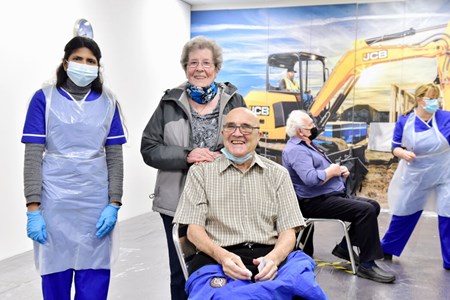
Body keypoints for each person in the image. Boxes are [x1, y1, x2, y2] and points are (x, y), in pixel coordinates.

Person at [173, 107, 328, 299]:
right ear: (223, 133)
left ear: (259, 134)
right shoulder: (201, 173)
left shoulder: (278, 174)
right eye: (231, 127)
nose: (237, 133)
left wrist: (274, 259)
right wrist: (223, 257)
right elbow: (193, 232)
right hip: (217, 258)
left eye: (246, 128)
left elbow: (288, 231)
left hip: (271, 256)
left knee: (305, 291)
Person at [140, 36, 247, 300]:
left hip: (225, 201)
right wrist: (186, 155)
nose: (199, 68)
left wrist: (223, 156)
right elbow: (149, 148)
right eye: (193, 63)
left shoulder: (234, 100)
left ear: (217, 68)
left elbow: (247, 143)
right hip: (177, 204)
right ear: (185, 67)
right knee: (180, 272)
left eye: (206, 63)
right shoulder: (169, 103)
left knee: (223, 267)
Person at [21, 36, 127, 300]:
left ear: (98, 67)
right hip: (54, 202)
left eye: (91, 61)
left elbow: (115, 157)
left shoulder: (108, 103)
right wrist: (33, 208)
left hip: (95, 203)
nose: (84, 65)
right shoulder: (43, 99)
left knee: (94, 279)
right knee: (55, 277)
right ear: (65, 63)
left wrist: (114, 203)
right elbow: (33, 156)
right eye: (78, 59)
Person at [282, 110, 396, 284]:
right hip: (313, 202)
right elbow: (310, 179)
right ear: (300, 131)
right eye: (310, 126)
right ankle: (367, 264)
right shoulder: (296, 150)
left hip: (327, 196)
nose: (314, 127)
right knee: (365, 210)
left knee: (373, 205)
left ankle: (344, 248)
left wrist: (338, 174)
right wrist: (331, 171)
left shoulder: (309, 145)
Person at [381, 83, 450, 270]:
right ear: (420, 99)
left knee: (448, 213)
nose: (436, 101)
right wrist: (402, 153)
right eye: (431, 98)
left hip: (445, 174)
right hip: (417, 174)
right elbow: (394, 147)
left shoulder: (446, 118)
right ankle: (386, 248)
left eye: (437, 97)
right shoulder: (405, 121)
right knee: (404, 211)